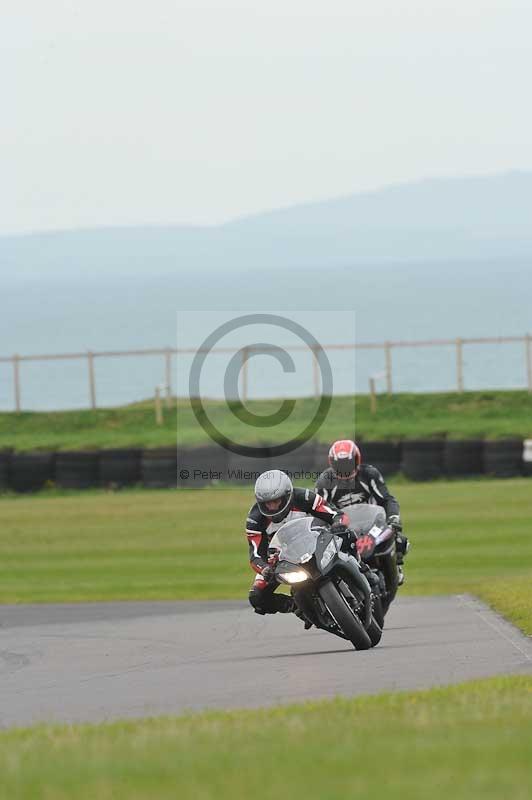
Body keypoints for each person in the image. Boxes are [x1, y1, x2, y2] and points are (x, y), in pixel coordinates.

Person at [246, 469, 350, 615]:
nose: (272, 507)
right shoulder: (255, 520)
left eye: (276, 501)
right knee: (257, 596)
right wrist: (264, 568)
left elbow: (335, 514)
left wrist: (338, 524)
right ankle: (297, 607)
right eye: (267, 503)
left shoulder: (304, 497)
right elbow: (255, 555)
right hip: (284, 559)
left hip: (317, 542)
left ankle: (362, 568)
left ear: (287, 496)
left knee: (347, 534)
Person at [315, 439, 408, 583]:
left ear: (356, 461)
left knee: (398, 536)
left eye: (347, 464)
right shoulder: (325, 481)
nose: (344, 469)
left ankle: (397, 564)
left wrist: (393, 517)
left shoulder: (369, 474)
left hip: (372, 525)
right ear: (332, 464)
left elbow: (386, 499)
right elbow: (319, 509)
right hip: (344, 529)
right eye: (340, 465)